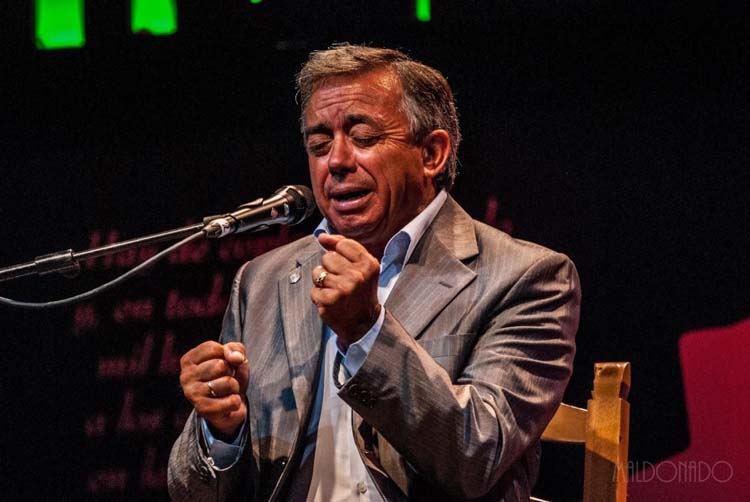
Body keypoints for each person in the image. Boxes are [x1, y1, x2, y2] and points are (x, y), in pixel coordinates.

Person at [168, 44, 580, 502]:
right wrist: (221, 431)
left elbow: (476, 454)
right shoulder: (263, 280)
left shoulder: (526, 278)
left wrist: (366, 331)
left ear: (431, 153)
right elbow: (193, 494)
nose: (337, 162)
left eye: (363, 138)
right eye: (319, 145)